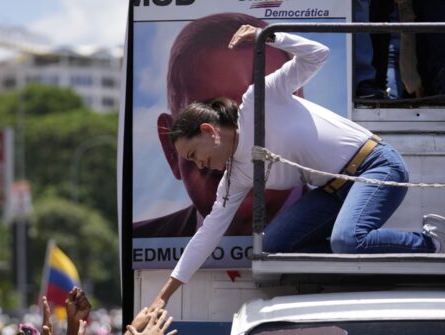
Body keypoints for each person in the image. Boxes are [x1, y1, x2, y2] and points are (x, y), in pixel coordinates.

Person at [150, 24, 445, 309]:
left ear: (208, 131)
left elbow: (318, 54)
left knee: (348, 239)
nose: (197, 164)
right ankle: (357, 249)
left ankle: (432, 242)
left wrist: (269, 37)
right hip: (334, 192)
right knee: (274, 245)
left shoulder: (259, 99)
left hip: (376, 167)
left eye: (192, 154)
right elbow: (207, 235)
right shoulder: (236, 176)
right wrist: (163, 296)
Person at [134, 12, 303, 238]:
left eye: (261, 110)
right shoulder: (142, 240)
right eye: (211, 115)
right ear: (170, 148)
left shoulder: (344, 231)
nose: (236, 140)